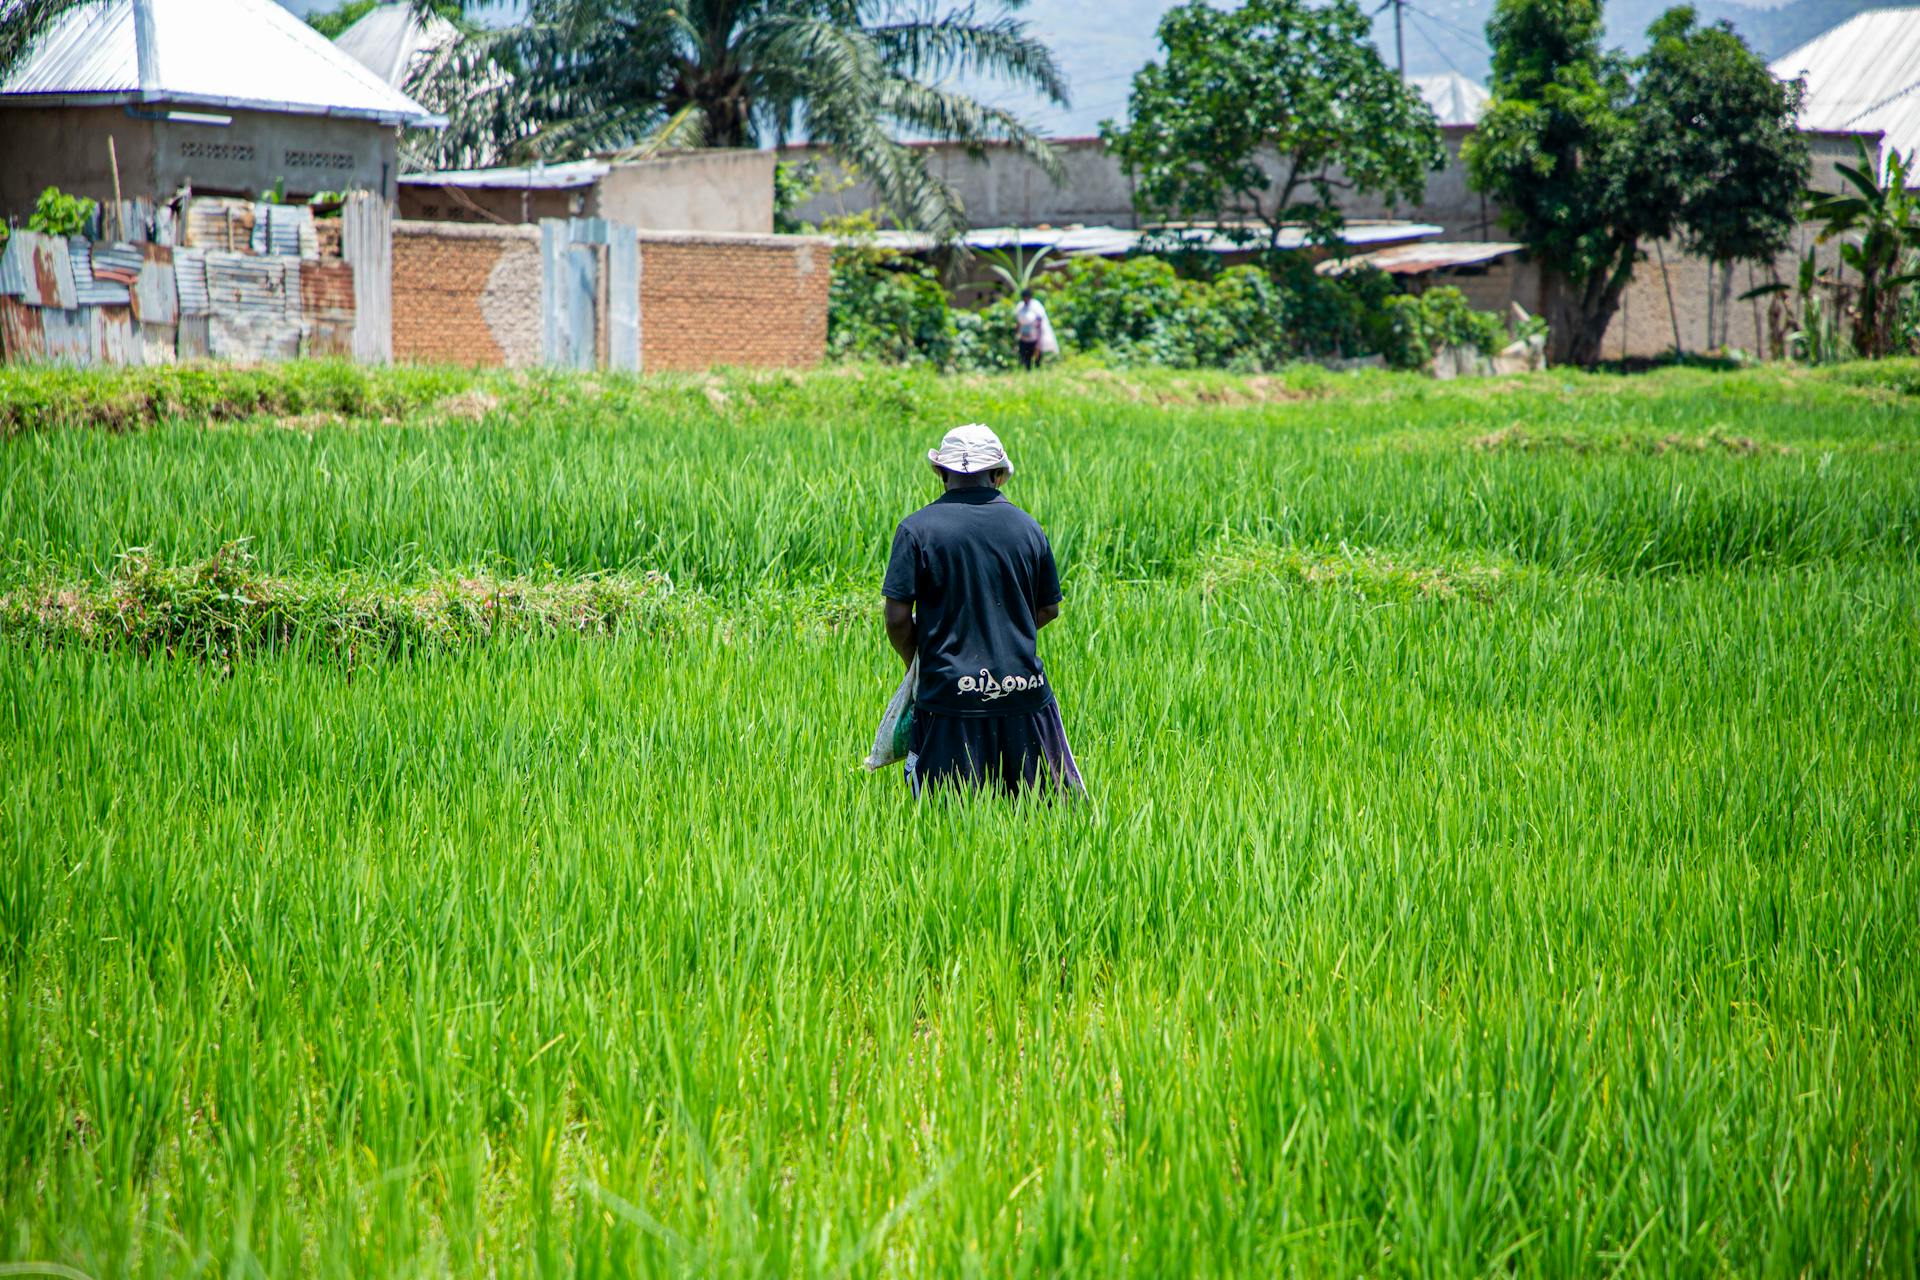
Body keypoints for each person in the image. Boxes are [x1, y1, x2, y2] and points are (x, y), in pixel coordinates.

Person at [882, 424, 1081, 796]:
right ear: (998, 474)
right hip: (1023, 693)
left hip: (948, 696)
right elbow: (1049, 608)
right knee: (1038, 819)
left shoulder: (915, 529)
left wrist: (919, 660)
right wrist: (1004, 633)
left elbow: (896, 618)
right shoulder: (1028, 527)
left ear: (942, 473)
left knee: (945, 822)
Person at [1014, 289, 1055, 370]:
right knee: (1025, 358)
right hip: (1024, 337)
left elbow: (1040, 323)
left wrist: (1039, 340)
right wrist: (1016, 334)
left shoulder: (1036, 306)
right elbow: (1018, 322)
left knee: (1037, 358)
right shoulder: (1020, 307)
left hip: (1035, 337)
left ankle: (1037, 371)